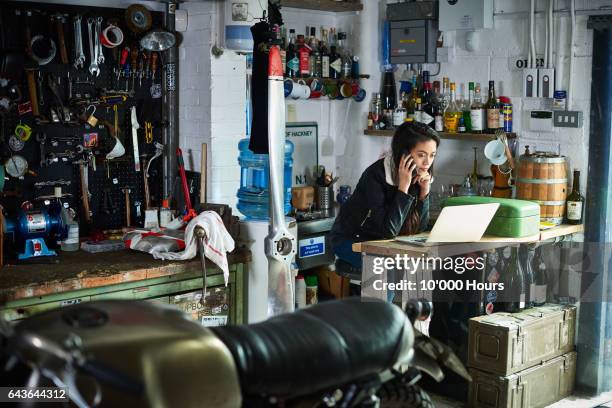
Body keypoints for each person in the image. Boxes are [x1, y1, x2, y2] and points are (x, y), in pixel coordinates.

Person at [330, 121, 440, 269]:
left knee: (424, 265)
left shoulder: (418, 174)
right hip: (351, 240)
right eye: (421, 155)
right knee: (390, 269)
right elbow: (388, 231)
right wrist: (403, 187)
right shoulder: (375, 176)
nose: (427, 162)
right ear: (404, 154)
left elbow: (418, 229)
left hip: (384, 243)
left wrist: (424, 193)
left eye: (432, 155)